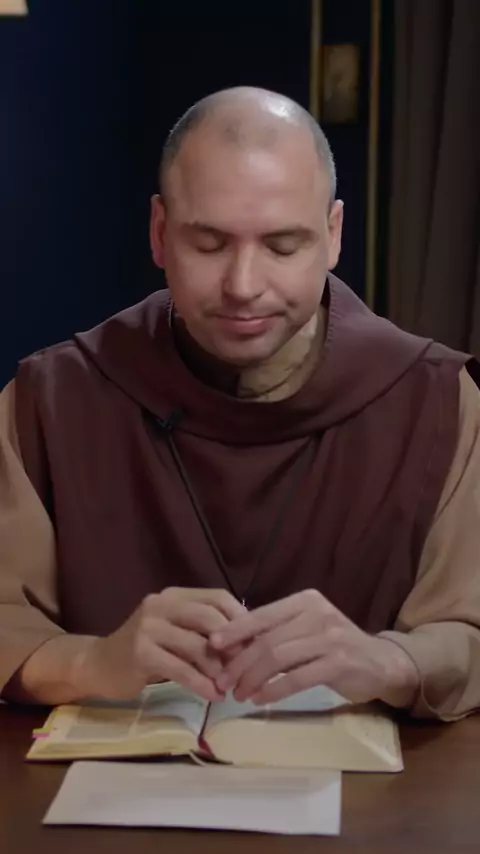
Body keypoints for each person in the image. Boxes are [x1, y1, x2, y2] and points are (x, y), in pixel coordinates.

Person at [1, 87, 479, 720]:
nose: (243, 286)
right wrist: (91, 662)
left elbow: (468, 629)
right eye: (209, 244)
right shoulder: (53, 398)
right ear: (160, 232)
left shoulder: (436, 402)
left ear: (333, 235)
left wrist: (390, 661)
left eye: (283, 246)